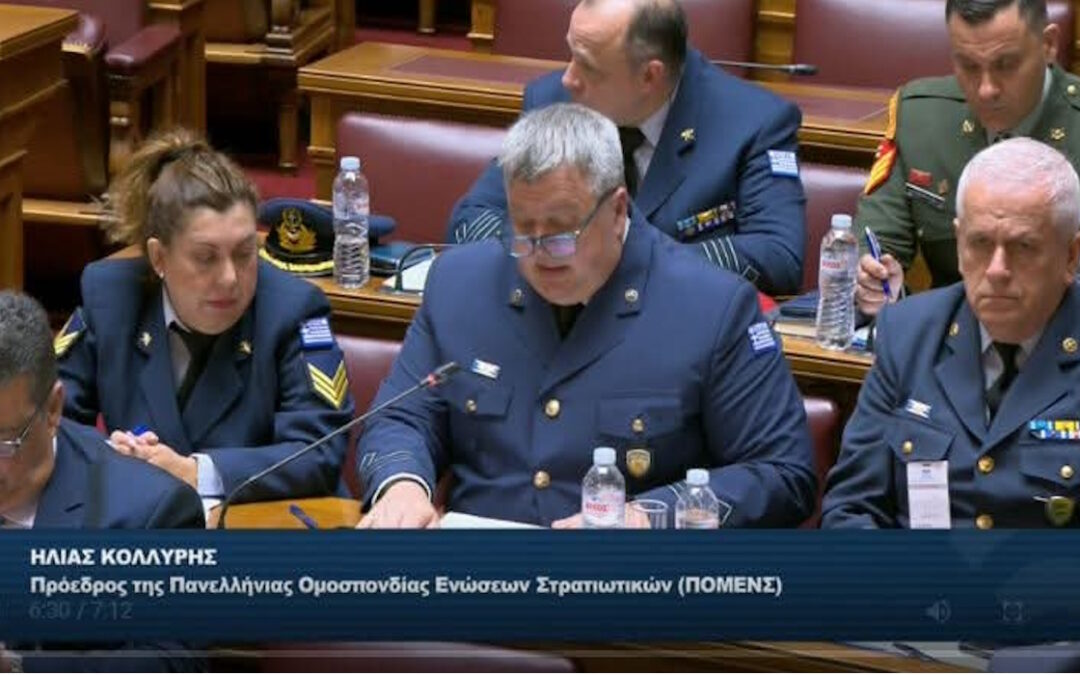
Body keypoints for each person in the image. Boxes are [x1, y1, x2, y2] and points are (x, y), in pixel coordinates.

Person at [357, 103, 815, 529]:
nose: (540, 252)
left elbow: (782, 473)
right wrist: (401, 486)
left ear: (617, 210)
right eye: (522, 229)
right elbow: (401, 418)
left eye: (561, 231)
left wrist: (651, 517)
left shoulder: (712, 306)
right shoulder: (460, 283)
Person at [55, 129, 355, 511]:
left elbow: (319, 452)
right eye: (205, 258)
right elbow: (48, 418)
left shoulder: (292, 310)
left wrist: (197, 472)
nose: (230, 278)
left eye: (244, 253)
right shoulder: (111, 298)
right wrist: (111, 456)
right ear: (159, 258)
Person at [447, 0, 806, 296]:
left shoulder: (753, 123)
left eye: (588, 66)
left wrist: (626, 262)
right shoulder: (553, 99)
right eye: (571, 54)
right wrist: (545, 252)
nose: (568, 79)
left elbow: (779, 256)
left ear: (650, 76)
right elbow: (473, 219)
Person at [823, 137, 1080, 530]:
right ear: (959, 244)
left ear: (1071, 255)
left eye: (1024, 246)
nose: (996, 269)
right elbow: (852, 508)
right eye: (980, 243)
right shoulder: (908, 333)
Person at [0, 290, 203, 672]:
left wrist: (18, 667)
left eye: (4, 443)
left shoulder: (150, 514)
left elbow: (172, 660)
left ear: (53, 409)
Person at [855, 0, 1080, 317]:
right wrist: (876, 279)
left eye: (1006, 65)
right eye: (969, 66)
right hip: (951, 332)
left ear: (1048, 45)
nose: (986, 90)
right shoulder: (921, 117)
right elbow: (878, 240)